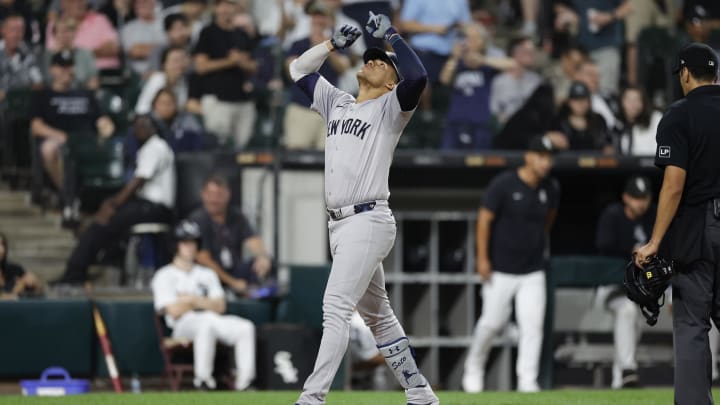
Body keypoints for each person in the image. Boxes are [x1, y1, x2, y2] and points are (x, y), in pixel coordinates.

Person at [289, 11, 439, 405]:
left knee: (335, 305)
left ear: (391, 81)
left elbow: (418, 77)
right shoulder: (336, 101)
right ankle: (420, 392)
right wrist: (330, 45)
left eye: (381, 61)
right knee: (378, 316)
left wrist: (391, 35)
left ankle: (312, 398)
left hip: (368, 218)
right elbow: (296, 70)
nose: (371, 60)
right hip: (340, 226)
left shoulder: (392, 108)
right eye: (368, 57)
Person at [634, 42, 720, 405]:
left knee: (691, 325)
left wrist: (655, 241)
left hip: (699, 228)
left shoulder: (680, 114)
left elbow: (673, 184)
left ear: (685, 73)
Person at [462, 135, 560, 393]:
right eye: (541, 156)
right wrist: (482, 258)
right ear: (529, 156)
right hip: (501, 268)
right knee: (491, 323)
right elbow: (484, 221)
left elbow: (548, 221)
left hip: (533, 269)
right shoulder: (504, 184)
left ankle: (527, 380)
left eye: (549, 158)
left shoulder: (550, 189)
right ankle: (474, 366)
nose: (545, 163)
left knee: (532, 326)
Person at [55, 114, 175, 285]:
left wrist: (113, 204)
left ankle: (75, 272)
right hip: (146, 206)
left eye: (143, 126)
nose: (138, 130)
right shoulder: (149, 147)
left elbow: (137, 182)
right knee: (103, 223)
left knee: (102, 222)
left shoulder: (155, 146)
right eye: (136, 126)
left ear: (153, 128)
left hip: (154, 208)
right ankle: (99, 264)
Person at [151, 220, 256, 390]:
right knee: (205, 324)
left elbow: (220, 306)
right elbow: (174, 310)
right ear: (176, 245)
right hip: (183, 324)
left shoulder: (206, 274)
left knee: (245, 327)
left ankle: (245, 383)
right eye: (185, 243)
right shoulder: (164, 275)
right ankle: (203, 380)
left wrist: (190, 299)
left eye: (193, 243)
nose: (190, 247)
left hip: (213, 319)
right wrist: (204, 302)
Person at [30, 51, 115, 225]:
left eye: (70, 67)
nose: (67, 71)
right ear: (52, 70)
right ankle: (70, 196)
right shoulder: (43, 95)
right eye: (62, 67)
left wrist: (106, 130)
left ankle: (72, 198)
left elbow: (103, 120)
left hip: (86, 143)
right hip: (60, 141)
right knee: (49, 149)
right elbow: (36, 127)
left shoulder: (86, 94)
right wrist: (62, 136)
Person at [596, 175, 656, 388]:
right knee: (628, 310)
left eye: (644, 198)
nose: (641, 202)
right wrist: (631, 252)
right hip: (613, 285)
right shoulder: (613, 216)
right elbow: (603, 245)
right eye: (636, 198)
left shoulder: (653, 217)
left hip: (645, 287)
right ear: (625, 197)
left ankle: (620, 378)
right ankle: (628, 370)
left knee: (635, 320)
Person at [189, 173, 274, 297]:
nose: (214, 200)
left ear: (227, 195)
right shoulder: (198, 219)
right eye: (210, 195)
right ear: (203, 195)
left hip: (234, 268)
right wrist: (232, 283)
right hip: (210, 274)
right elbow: (203, 259)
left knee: (267, 262)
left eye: (218, 195)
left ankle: (260, 296)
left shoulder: (236, 216)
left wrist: (262, 257)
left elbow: (253, 240)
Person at [284, 1, 351, 150]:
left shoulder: (338, 46)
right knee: (296, 156)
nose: (319, 20)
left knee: (328, 159)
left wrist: (326, 47)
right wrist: (315, 48)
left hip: (328, 111)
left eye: (323, 16)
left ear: (330, 20)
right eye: (315, 16)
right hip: (302, 108)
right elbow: (290, 71)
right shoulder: (299, 44)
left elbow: (343, 67)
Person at [438, 23, 515, 150]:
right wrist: (453, 58)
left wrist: (483, 60)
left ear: (481, 42)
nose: (468, 42)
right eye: (466, 38)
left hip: (479, 121)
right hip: (455, 121)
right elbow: (444, 79)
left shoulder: (487, 62)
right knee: (448, 161)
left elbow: (512, 64)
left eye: (473, 38)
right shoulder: (458, 63)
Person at [193, 0, 257, 149]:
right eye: (222, 4)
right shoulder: (208, 32)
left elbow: (253, 66)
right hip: (217, 99)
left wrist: (240, 62)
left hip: (242, 100)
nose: (226, 9)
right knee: (218, 145)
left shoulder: (241, 34)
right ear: (215, 8)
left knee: (242, 149)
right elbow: (201, 66)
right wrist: (231, 61)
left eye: (230, 4)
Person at [552, 81, 612, 152]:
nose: (580, 104)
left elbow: (608, 143)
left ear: (589, 101)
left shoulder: (598, 120)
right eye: (576, 100)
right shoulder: (559, 121)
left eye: (584, 99)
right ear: (569, 102)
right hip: (567, 161)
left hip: (596, 160)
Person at [43, 16, 99, 90]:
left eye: (70, 30)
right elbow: (42, 82)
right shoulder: (46, 55)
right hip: (52, 96)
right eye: (62, 31)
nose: (66, 35)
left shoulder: (85, 54)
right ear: (54, 34)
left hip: (80, 95)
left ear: (75, 33)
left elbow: (94, 81)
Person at [120, 0, 166, 76]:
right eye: (137, 3)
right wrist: (160, 48)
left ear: (153, 2)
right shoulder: (128, 28)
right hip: (138, 75)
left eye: (144, 2)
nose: (141, 5)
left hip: (165, 73)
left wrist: (143, 47)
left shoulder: (164, 22)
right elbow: (135, 52)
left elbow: (171, 48)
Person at [616, 86, 662, 156]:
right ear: (622, 102)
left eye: (636, 100)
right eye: (629, 100)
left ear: (643, 103)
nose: (632, 104)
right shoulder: (618, 126)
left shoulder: (655, 118)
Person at [0, 232, 42, 299]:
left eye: (3, 245)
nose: (1, 250)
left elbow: (39, 293)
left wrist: (35, 284)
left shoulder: (15, 269)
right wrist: (15, 291)